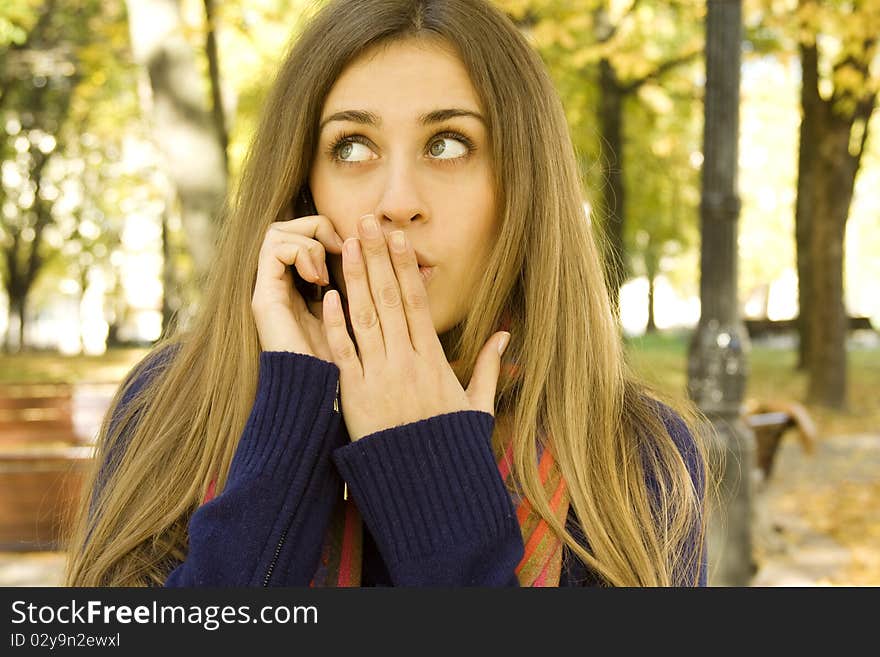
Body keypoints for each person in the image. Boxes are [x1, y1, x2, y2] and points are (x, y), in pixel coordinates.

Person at [64, 0, 713, 587]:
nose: (398, 201)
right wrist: (292, 417)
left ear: (522, 184)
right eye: (352, 146)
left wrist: (426, 473)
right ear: (303, 187)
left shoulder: (633, 454)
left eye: (449, 143)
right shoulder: (170, 406)